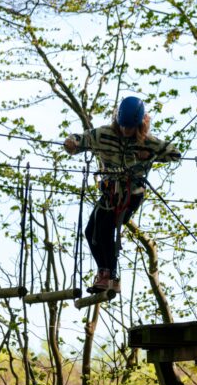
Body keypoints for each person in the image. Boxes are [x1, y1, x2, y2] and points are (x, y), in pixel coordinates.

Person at [64, 96, 180, 294]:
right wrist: (71, 143)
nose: (126, 131)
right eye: (123, 125)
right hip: (110, 192)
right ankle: (105, 273)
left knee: (105, 228)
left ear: (140, 124)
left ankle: (110, 275)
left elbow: (174, 154)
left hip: (131, 195)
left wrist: (149, 155)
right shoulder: (104, 134)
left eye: (130, 127)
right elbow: (81, 139)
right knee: (91, 231)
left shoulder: (146, 142)